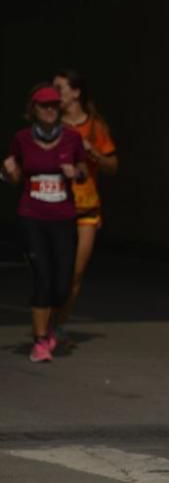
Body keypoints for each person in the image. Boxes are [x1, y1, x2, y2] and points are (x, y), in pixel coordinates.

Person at [1, 85, 87, 362]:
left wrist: (76, 172)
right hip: (32, 216)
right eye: (43, 106)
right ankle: (39, 340)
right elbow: (11, 174)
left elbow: (84, 171)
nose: (49, 110)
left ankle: (50, 328)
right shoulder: (22, 139)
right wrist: (8, 172)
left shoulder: (72, 139)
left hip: (62, 218)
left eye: (53, 106)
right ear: (33, 111)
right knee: (42, 276)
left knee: (63, 283)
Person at [51, 69, 118, 338]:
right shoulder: (50, 125)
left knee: (75, 275)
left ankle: (56, 327)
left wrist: (93, 153)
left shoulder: (95, 127)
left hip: (87, 207)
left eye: (60, 88)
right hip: (55, 205)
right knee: (54, 270)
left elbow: (113, 166)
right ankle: (46, 323)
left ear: (76, 92)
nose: (54, 93)